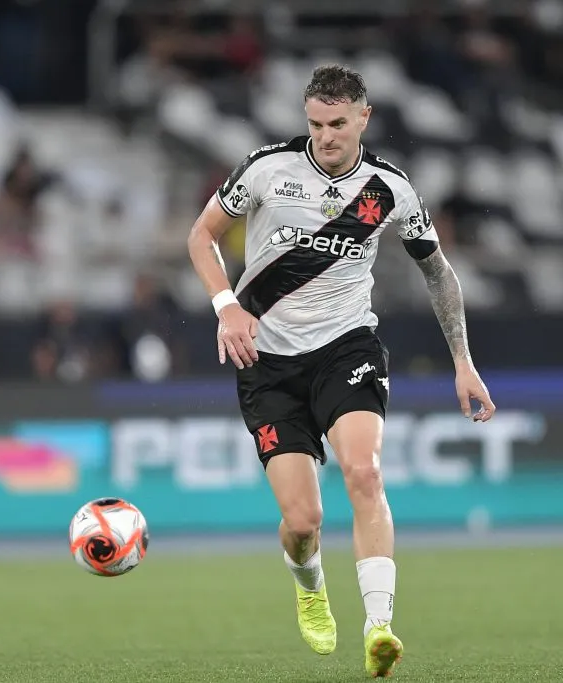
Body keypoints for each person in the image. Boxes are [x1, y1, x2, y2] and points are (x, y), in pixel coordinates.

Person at [187, 64, 496, 678]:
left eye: (336, 124)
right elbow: (202, 235)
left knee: (363, 469)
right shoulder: (266, 169)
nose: (325, 136)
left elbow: (438, 273)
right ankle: (309, 585)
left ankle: (379, 626)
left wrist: (463, 361)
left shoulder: (389, 190)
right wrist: (227, 308)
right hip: (267, 360)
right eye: (314, 124)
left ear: (363, 118)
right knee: (303, 523)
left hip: (345, 348)